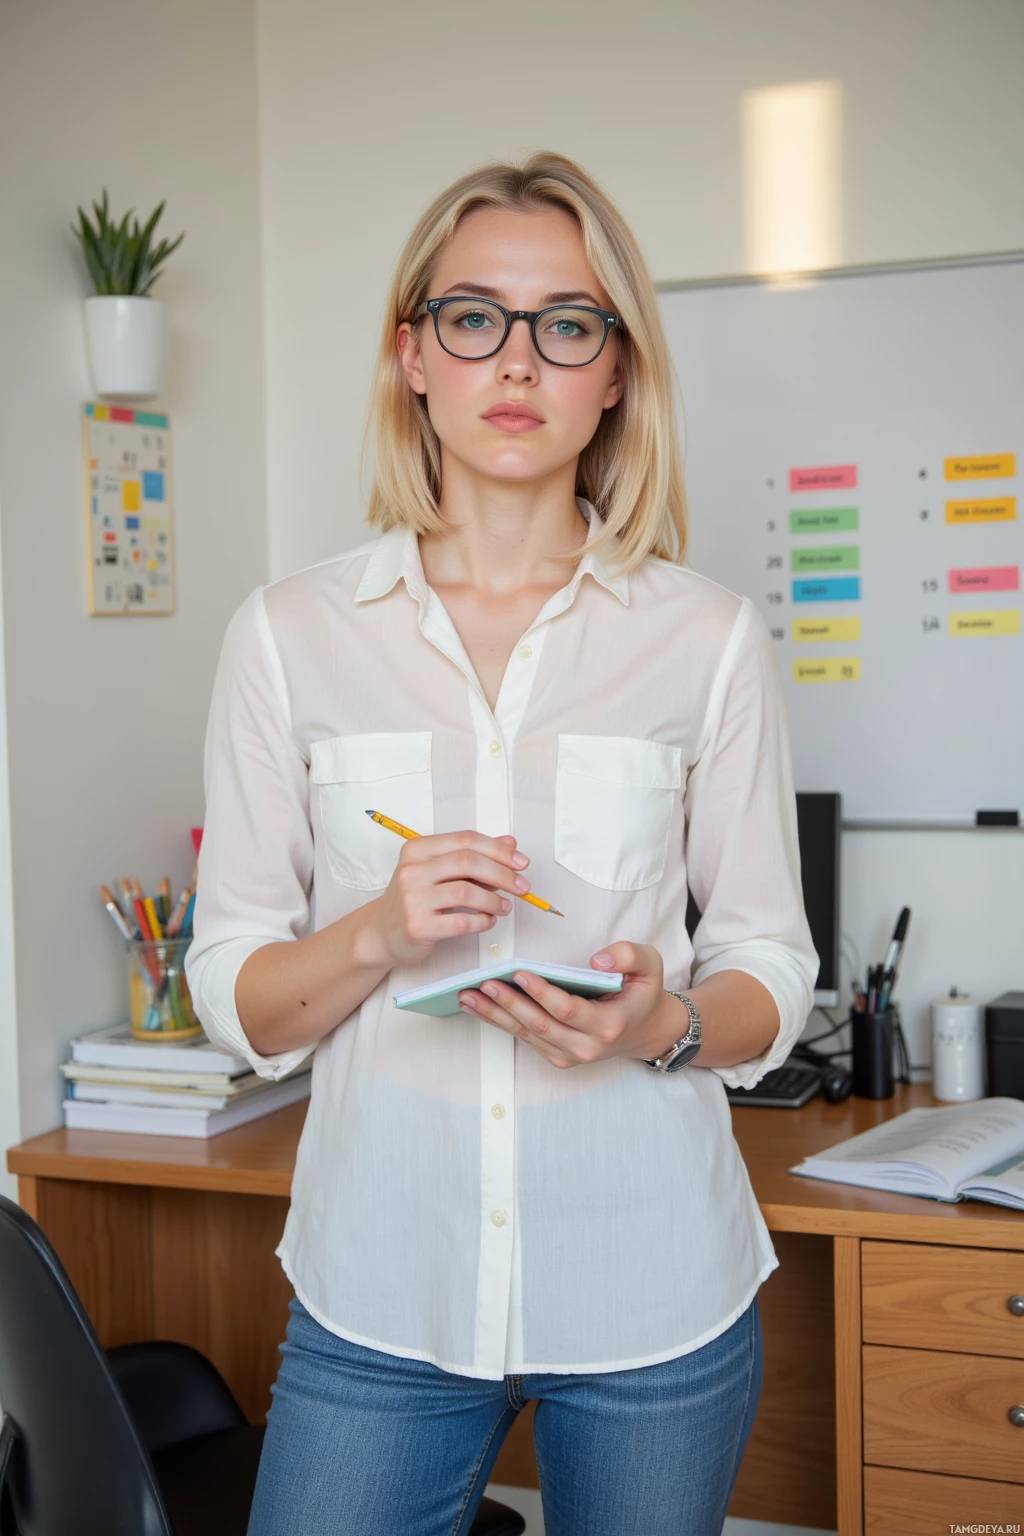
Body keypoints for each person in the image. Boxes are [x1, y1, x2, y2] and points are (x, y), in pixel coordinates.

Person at [187, 151, 817, 1536]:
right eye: (474, 317)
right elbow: (233, 992)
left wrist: (659, 1020)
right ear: (413, 354)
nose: (517, 361)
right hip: (380, 1288)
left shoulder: (706, 638)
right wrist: (377, 934)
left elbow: (772, 966)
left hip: (653, 1288)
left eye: (566, 324)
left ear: (615, 372)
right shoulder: (288, 635)